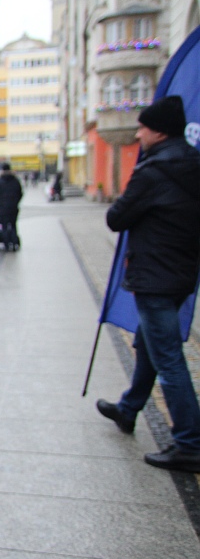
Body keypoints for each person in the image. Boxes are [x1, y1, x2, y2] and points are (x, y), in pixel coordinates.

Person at [96, 95, 200, 473]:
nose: (138, 133)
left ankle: (190, 441)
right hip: (181, 272)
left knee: (168, 357)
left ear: (158, 131)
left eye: (142, 127)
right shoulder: (192, 164)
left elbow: (116, 217)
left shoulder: (153, 169)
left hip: (155, 274)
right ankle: (128, 408)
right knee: (149, 344)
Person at [0, 163, 23, 251]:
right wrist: (16, 202)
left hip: (3, 208)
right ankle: (14, 244)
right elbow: (20, 193)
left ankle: (6, 245)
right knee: (14, 225)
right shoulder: (15, 180)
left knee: (5, 226)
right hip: (14, 207)